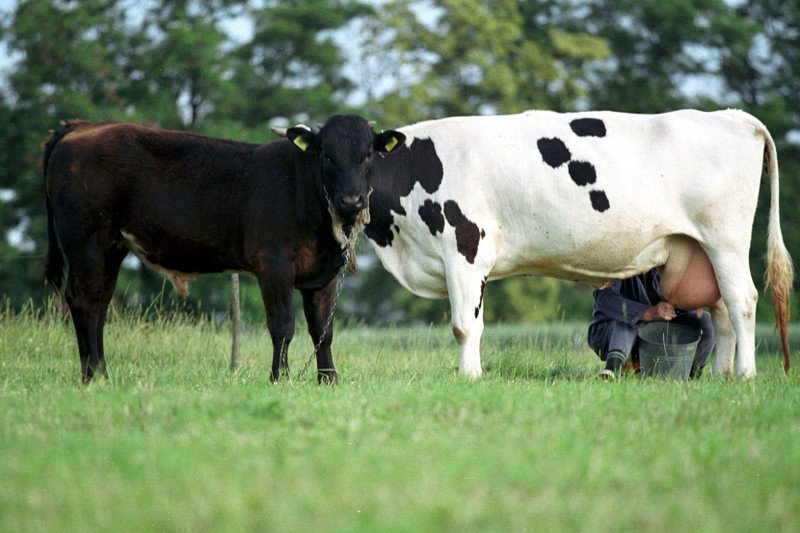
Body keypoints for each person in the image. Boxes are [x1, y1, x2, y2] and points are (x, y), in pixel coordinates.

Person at [587, 268, 715, 379]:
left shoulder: (669, 260)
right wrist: (647, 312)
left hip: (656, 334)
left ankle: (689, 376)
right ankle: (612, 369)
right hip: (613, 334)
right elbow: (603, 299)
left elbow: (684, 304)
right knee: (628, 321)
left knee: (707, 321)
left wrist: (691, 300)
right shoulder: (621, 261)